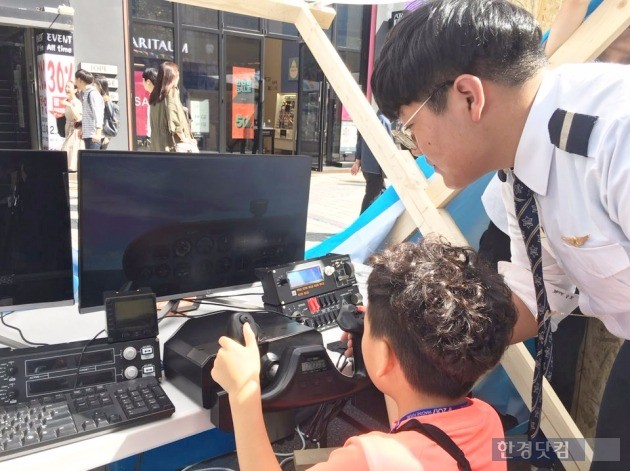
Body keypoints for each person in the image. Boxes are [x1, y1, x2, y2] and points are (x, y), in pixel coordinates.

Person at [371, 0, 630, 468]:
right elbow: (538, 295)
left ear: (469, 96)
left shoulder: (614, 137)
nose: (417, 152)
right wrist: (415, 338)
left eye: (410, 131)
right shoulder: (518, 173)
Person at [211, 238, 517, 470]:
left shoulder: (368, 458)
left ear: (385, 357)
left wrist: (243, 392)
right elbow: (416, 419)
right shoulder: (487, 419)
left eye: (366, 325)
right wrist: (374, 344)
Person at [351, 111, 392, 214]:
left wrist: (357, 162)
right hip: (376, 166)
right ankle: (361, 223)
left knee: (382, 193)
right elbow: (388, 145)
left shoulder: (370, 119)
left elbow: (360, 142)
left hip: (367, 166)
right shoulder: (384, 121)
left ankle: (381, 220)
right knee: (372, 197)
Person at [149, 61, 191, 152]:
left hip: (156, 145)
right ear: (171, 77)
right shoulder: (171, 93)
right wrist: (186, 140)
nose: (178, 77)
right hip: (170, 145)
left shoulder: (154, 95)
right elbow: (174, 120)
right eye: (177, 74)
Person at [74, 69, 104, 150]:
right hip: (89, 135)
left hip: (93, 136)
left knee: (93, 162)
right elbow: (88, 114)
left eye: (75, 79)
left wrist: (98, 133)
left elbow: (98, 113)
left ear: (79, 80)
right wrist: (83, 129)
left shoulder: (92, 93)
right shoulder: (86, 93)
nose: (75, 82)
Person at [59, 80, 83, 172]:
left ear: (75, 90)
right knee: (68, 154)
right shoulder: (69, 102)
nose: (66, 89)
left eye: (69, 87)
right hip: (68, 129)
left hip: (75, 131)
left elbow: (78, 117)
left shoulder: (76, 102)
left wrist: (69, 105)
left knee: (68, 152)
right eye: (66, 86)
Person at [94, 75, 117, 150]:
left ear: (100, 86)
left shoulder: (106, 99)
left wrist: (107, 137)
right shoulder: (95, 98)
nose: (93, 87)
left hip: (102, 135)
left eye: (95, 84)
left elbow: (111, 118)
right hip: (95, 133)